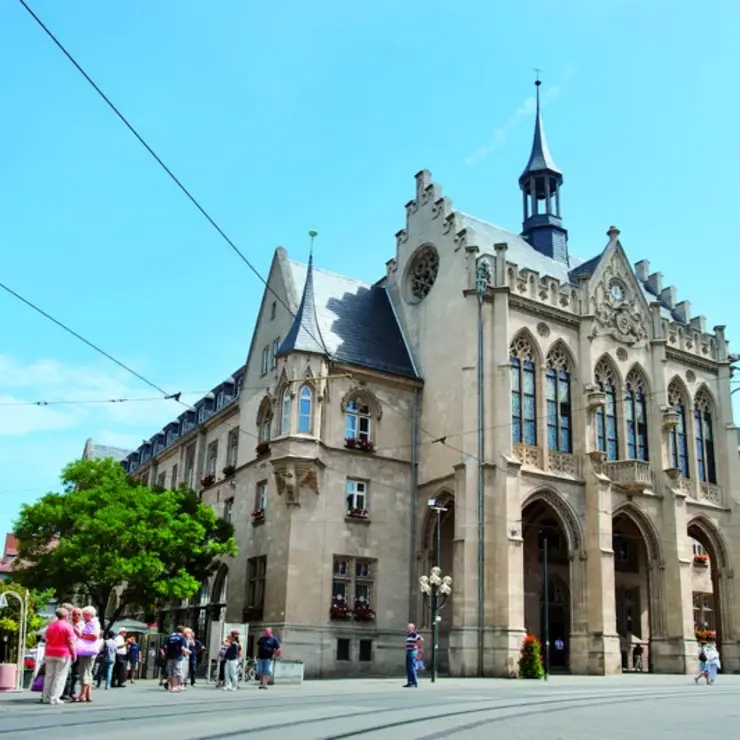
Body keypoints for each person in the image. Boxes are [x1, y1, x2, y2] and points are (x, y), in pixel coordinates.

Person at [43, 607, 77, 705]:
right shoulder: (67, 626)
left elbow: (47, 640)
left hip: (50, 652)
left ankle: (46, 696)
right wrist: (74, 653)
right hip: (63, 653)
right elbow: (71, 641)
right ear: (66, 615)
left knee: (49, 676)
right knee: (60, 676)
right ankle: (54, 698)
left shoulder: (51, 626)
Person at [74, 606, 102, 703]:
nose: (83, 616)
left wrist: (81, 635)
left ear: (89, 614)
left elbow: (94, 636)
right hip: (90, 650)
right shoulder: (94, 622)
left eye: (84, 614)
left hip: (87, 650)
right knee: (88, 672)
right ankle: (88, 694)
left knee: (84, 671)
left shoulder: (92, 623)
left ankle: (82, 694)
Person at [164, 626, 189, 693]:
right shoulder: (181, 637)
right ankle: (175, 686)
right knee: (177, 671)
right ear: (182, 631)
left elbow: (165, 646)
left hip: (169, 656)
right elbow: (182, 648)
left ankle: (170, 686)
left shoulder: (170, 636)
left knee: (170, 671)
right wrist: (187, 652)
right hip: (177, 656)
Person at [403, 623, 423, 688]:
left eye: (409, 628)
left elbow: (421, 639)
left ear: (412, 628)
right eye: (407, 627)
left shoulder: (414, 634)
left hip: (412, 652)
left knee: (412, 667)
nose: (408, 629)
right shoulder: (409, 635)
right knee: (408, 667)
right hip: (408, 651)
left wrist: (416, 645)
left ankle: (414, 682)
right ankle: (409, 682)